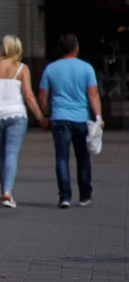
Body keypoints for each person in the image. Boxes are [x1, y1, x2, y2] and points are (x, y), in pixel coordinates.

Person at [0, 35, 49, 208]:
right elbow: (29, 96)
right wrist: (40, 117)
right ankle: (7, 192)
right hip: (17, 115)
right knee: (11, 153)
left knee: (1, 154)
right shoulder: (22, 68)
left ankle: (4, 191)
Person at [39, 33, 103, 209]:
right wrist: (98, 117)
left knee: (61, 158)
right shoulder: (86, 68)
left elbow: (43, 96)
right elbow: (93, 95)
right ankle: (84, 195)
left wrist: (45, 115)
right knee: (83, 157)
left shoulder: (50, 69)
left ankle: (65, 196)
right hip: (81, 119)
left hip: (59, 118)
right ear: (76, 48)